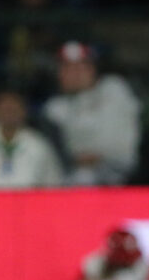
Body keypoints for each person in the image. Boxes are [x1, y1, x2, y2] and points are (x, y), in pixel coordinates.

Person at [42, 41, 141, 186]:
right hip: (76, 176)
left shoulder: (114, 89)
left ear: (93, 69)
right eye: (67, 68)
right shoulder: (54, 108)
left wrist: (97, 155)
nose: (74, 74)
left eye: (80, 67)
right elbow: (56, 155)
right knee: (82, 177)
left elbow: (123, 142)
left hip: (123, 172)